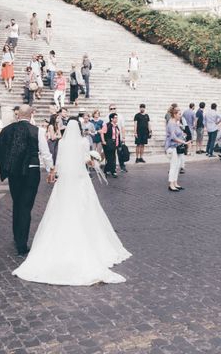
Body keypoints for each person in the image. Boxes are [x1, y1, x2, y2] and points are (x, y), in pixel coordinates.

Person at [12, 119, 131, 285]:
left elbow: (59, 162)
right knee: (87, 209)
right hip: (81, 180)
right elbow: (84, 159)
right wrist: (92, 160)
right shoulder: (83, 141)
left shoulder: (62, 142)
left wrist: (53, 172)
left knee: (60, 210)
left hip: (65, 181)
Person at [0, 105, 55, 256]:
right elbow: (45, 153)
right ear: (31, 114)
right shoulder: (38, 131)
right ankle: (22, 243)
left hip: (14, 173)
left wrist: (3, 169)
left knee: (17, 203)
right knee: (26, 206)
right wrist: (50, 170)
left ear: (18, 115)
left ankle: (17, 237)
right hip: (32, 170)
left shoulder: (7, 130)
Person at [165, 105, 188, 192]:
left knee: (177, 165)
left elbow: (178, 134)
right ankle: (171, 184)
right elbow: (173, 137)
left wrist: (183, 135)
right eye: (179, 114)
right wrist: (183, 142)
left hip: (176, 147)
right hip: (171, 147)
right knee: (173, 166)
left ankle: (175, 183)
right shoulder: (171, 123)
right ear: (174, 114)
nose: (180, 116)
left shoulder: (175, 123)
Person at [101, 113, 121, 178]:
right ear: (111, 119)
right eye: (115, 118)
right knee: (110, 158)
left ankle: (106, 170)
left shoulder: (116, 126)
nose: (116, 119)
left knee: (112, 158)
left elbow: (118, 135)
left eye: (117, 117)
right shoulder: (107, 125)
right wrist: (103, 141)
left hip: (115, 144)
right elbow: (102, 133)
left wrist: (119, 144)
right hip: (108, 143)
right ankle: (113, 172)